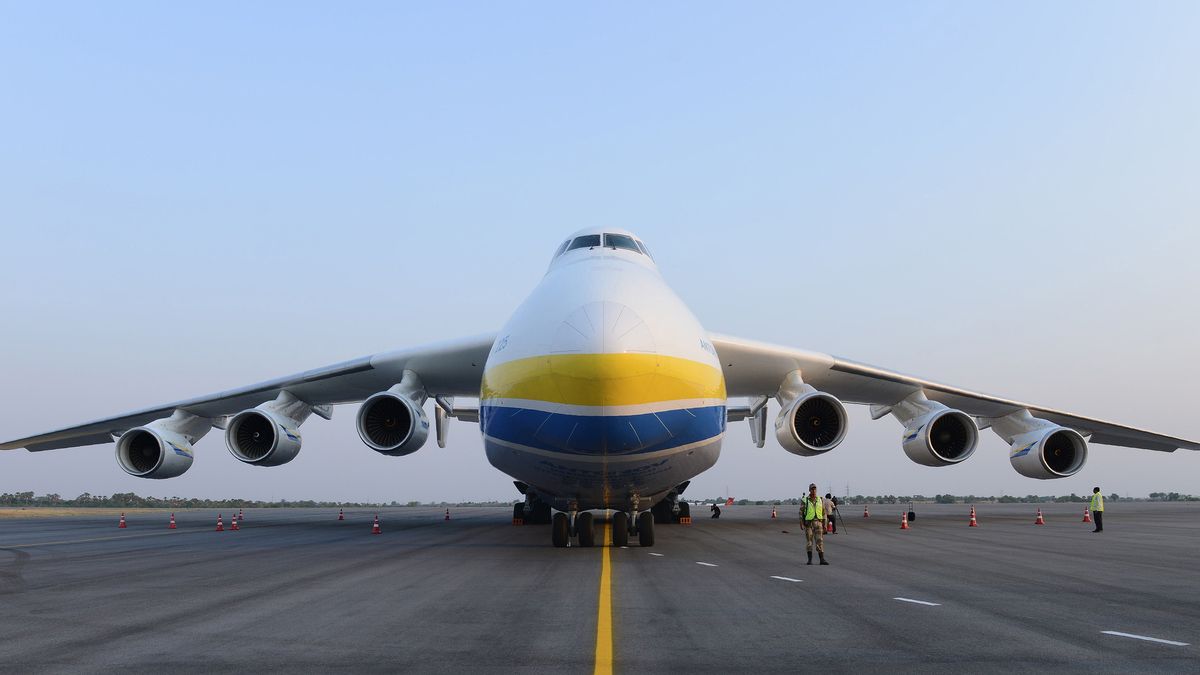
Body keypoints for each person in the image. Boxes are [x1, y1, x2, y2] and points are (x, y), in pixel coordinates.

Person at [801, 483, 828, 565]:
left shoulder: (820, 499)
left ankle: (822, 559)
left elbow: (824, 512)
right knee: (809, 542)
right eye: (812, 489)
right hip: (809, 523)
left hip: (818, 523)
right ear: (809, 490)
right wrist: (801, 522)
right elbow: (801, 512)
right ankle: (810, 560)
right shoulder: (805, 500)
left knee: (820, 541)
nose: (814, 490)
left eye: (815, 489)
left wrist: (825, 524)